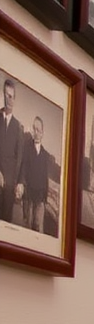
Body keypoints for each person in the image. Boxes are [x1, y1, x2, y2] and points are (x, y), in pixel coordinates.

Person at [15, 115, 56, 233]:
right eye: (34, 129)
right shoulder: (27, 148)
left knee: (38, 227)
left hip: (40, 198)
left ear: (42, 133)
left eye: (38, 130)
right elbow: (23, 167)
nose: (36, 132)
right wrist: (20, 184)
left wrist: (45, 197)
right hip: (28, 196)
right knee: (27, 225)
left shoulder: (44, 155)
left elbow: (44, 177)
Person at [0, 76, 24, 224]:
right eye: (6, 95)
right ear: (2, 95)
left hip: (9, 189)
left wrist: (20, 182)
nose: (8, 99)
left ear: (14, 99)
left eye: (11, 96)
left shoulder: (18, 127)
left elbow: (20, 158)